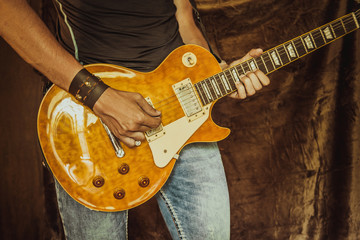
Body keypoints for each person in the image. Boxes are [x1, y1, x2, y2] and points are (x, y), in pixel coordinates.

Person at [0, 0, 270, 239]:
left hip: (181, 109)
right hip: (91, 118)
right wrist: (100, 98)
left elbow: (182, 16)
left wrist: (218, 73)